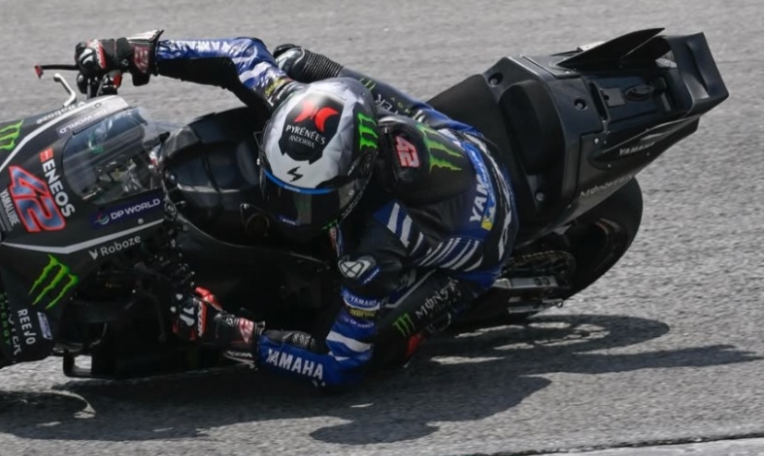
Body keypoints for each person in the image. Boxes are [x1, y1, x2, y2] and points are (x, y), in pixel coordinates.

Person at [74, 31, 517, 388]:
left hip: (482, 246)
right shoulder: (290, 99)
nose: (288, 211)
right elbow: (238, 54)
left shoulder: (375, 244)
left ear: (355, 181)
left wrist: (232, 332)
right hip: (451, 135)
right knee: (292, 61)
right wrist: (136, 52)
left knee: (374, 351)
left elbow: (339, 362)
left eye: (308, 201)